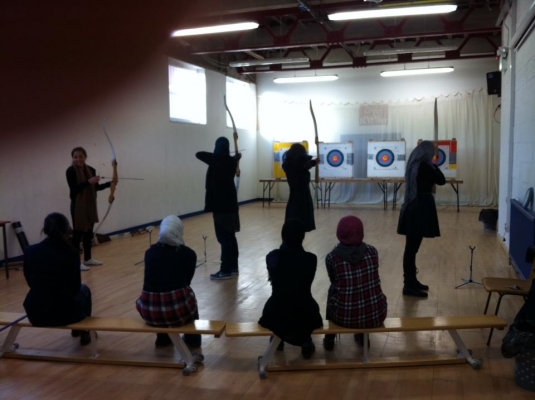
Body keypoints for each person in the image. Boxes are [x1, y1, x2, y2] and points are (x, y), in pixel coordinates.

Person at [23, 212, 93, 345]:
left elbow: (30, 282)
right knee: (84, 290)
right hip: (65, 315)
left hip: (36, 313)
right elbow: (75, 288)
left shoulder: (30, 251)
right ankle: (83, 330)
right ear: (66, 231)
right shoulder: (71, 253)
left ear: (45, 230)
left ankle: (81, 330)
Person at [259, 218, 323, 358]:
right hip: (305, 309)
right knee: (303, 311)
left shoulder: (272, 256)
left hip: (277, 309)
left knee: (279, 309)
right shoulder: (311, 259)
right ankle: (306, 341)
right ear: (302, 237)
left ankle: (278, 339)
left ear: (283, 236)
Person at [136, 215, 201, 348]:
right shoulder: (188, 254)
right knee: (188, 296)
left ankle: (162, 339)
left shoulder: (149, 252)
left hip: (149, 313)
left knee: (157, 295)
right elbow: (187, 282)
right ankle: (193, 340)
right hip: (177, 311)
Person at [323, 215, 387, 350]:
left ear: (339, 233)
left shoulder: (332, 257)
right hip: (377, 314)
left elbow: (334, 281)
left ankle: (330, 337)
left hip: (344, 316)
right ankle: (363, 337)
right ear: (361, 233)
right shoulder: (372, 251)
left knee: (332, 289)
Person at [397, 140, 446, 298]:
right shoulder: (425, 166)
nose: (434, 153)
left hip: (413, 207)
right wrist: (434, 164)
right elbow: (442, 180)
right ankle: (408, 285)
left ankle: (412, 281)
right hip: (420, 208)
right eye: (432, 151)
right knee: (412, 249)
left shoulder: (414, 165)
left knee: (411, 248)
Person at [196, 137, 241, 280]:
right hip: (231, 205)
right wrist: (236, 157)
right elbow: (232, 159)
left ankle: (225, 270)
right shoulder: (232, 162)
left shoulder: (215, 160)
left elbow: (199, 154)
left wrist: (218, 155)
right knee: (230, 236)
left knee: (224, 238)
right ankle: (233, 267)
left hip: (221, 206)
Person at [66, 147, 117, 271]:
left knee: (88, 233)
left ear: (85, 157)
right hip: (78, 206)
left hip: (90, 205)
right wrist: (89, 181)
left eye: (81, 156)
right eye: (75, 157)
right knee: (77, 235)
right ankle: (76, 262)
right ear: (73, 158)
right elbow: (74, 190)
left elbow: (95, 187)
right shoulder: (70, 171)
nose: (78, 159)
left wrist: (109, 184)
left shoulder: (91, 170)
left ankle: (88, 258)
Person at [282, 143, 317, 232]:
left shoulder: (288, 163)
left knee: (293, 213)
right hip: (302, 194)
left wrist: (313, 162)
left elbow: (304, 166)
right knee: (300, 214)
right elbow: (302, 165)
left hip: (294, 194)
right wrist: (314, 162)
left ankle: (293, 230)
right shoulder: (296, 164)